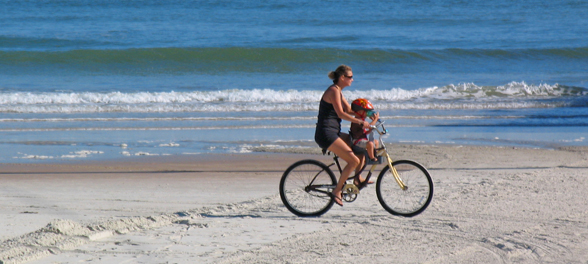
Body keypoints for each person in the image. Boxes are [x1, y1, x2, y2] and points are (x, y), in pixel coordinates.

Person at [314, 65, 370, 207]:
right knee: (353, 161)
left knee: (360, 147)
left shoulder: (338, 91)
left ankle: (357, 179)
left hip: (334, 132)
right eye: (350, 77)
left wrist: (368, 114)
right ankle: (337, 191)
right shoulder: (333, 91)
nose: (353, 79)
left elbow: (350, 110)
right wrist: (359, 122)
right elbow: (341, 114)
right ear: (342, 78)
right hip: (326, 134)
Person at [350, 98, 380, 163]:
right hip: (357, 141)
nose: (367, 114)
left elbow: (365, 131)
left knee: (376, 142)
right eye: (366, 112)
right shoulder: (358, 120)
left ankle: (375, 154)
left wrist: (371, 129)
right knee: (370, 144)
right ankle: (371, 158)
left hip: (362, 138)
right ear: (360, 112)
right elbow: (368, 126)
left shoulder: (362, 120)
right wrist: (375, 120)